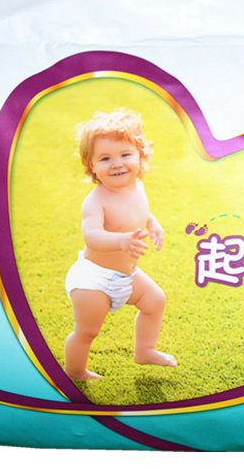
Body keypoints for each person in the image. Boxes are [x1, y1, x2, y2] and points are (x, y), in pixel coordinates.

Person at [64, 109, 176, 380]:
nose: (117, 164)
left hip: (126, 275)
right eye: (105, 158)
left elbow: (140, 211)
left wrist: (153, 224)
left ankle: (145, 350)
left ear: (141, 155)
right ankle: (75, 372)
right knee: (87, 331)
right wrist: (121, 241)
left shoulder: (137, 187)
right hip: (94, 278)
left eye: (125, 154)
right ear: (91, 165)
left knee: (154, 300)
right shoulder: (96, 200)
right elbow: (92, 236)